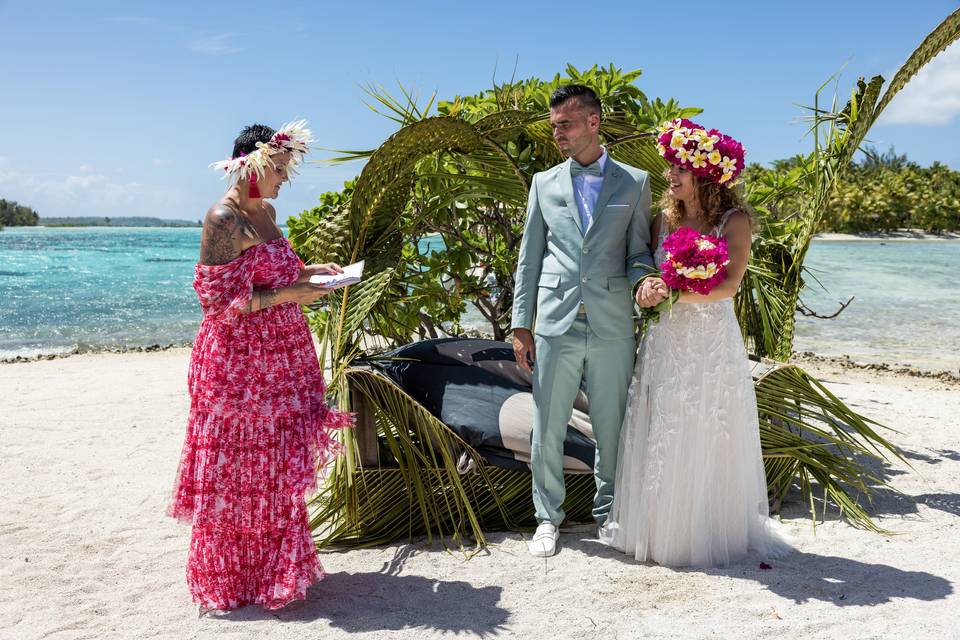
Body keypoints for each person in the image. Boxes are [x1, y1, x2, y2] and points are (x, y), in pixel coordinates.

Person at [167, 120, 352, 612]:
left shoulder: (266, 212)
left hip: (282, 364)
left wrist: (313, 273)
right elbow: (215, 302)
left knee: (275, 472)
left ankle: (276, 571)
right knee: (239, 474)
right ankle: (235, 580)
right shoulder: (223, 218)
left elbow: (277, 271)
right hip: (239, 369)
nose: (285, 179)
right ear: (251, 164)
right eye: (280, 168)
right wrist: (292, 294)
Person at [600, 119, 791, 567]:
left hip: (709, 338)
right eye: (670, 168)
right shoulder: (661, 220)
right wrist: (648, 287)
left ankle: (705, 531)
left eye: (679, 168)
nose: (670, 176)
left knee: (707, 422)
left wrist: (676, 292)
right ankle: (657, 527)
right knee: (664, 423)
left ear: (705, 173)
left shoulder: (734, 221)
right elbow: (645, 267)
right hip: (665, 336)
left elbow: (729, 286)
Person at [511, 85, 655, 558]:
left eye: (566, 125)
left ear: (593, 122)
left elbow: (638, 252)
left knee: (612, 424)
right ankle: (546, 518)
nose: (557, 134)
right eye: (553, 126)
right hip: (556, 320)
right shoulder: (543, 182)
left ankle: (609, 513)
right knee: (548, 424)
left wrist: (643, 284)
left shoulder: (635, 182)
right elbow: (528, 259)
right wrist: (520, 324)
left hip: (613, 320)